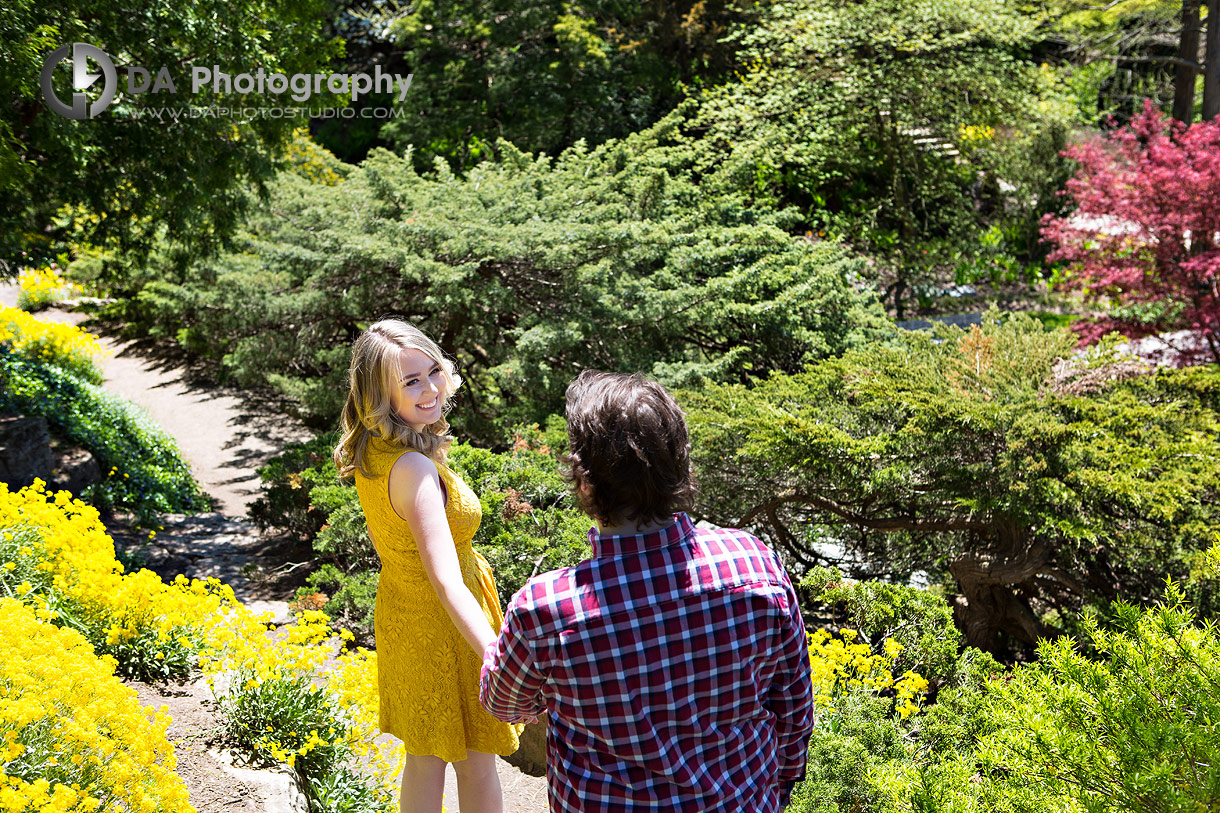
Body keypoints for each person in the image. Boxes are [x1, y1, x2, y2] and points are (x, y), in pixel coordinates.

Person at [480, 370, 814, 812]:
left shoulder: (546, 608)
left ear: (584, 479)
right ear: (680, 462)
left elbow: (504, 703)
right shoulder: (754, 565)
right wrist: (778, 791)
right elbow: (792, 707)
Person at [334, 319, 519, 813]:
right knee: (477, 760)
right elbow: (445, 578)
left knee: (424, 759)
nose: (430, 388)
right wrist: (495, 655)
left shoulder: (379, 448)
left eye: (432, 371)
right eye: (410, 382)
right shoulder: (412, 467)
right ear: (381, 395)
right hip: (445, 624)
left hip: (405, 611)